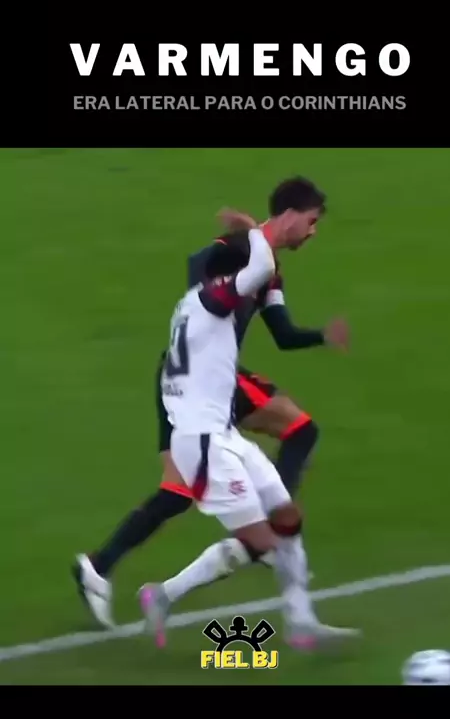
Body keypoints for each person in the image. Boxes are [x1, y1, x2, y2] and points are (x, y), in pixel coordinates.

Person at [73, 177, 347, 628]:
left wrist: (321, 336)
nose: (314, 232)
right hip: (195, 378)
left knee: (184, 489)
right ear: (290, 216)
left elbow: (282, 333)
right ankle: (260, 538)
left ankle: (100, 567)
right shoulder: (237, 249)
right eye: (312, 221)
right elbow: (199, 271)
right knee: (194, 484)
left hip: (207, 374)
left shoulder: (270, 269)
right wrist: (235, 270)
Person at [139, 215, 359, 650]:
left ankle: (301, 622)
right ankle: (163, 594)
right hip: (202, 433)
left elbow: (270, 301)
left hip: (222, 428)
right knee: (262, 542)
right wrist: (260, 232)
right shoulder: (212, 296)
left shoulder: (210, 298)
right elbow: (251, 269)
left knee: (287, 517)